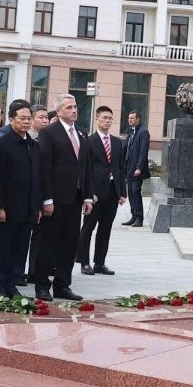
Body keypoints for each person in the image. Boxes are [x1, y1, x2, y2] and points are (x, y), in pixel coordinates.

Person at [31, 93, 93, 300]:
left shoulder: (82, 133)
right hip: (55, 199)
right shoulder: (49, 133)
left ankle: (62, 284)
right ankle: (41, 285)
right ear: (58, 111)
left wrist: (87, 196)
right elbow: (44, 168)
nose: (74, 110)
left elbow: (86, 167)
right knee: (47, 243)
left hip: (75, 198)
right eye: (68, 107)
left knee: (69, 244)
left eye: (75, 106)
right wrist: (46, 199)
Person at [0, 99, 40, 300]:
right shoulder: (2, 143)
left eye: (29, 118)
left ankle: (12, 284)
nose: (26, 122)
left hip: (27, 207)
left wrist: (37, 206)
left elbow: (37, 177)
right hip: (7, 207)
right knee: (2, 249)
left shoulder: (33, 145)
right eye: (22, 118)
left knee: (20, 249)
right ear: (11, 119)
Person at [78, 105, 125, 275]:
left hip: (112, 193)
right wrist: (89, 194)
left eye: (109, 118)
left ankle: (100, 263)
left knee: (105, 229)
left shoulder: (117, 142)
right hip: (95, 194)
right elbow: (85, 169)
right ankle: (84, 263)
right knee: (88, 228)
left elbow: (121, 167)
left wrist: (122, 193)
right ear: (96, 119)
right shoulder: (88, 141)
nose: (107, 121)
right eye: (104, 118)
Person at [121, 109, 150, 228]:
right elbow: (126, 147)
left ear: (138, 119)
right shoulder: (131, 131)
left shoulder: (143, 132)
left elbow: (143, 152)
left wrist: (139, 168)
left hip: (137, 169)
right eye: (129, 118)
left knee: (135, 192)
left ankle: (139, 218)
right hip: (128, 167)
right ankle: (133, 216)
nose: (129, 120)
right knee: (130, 193)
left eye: (132, 118)